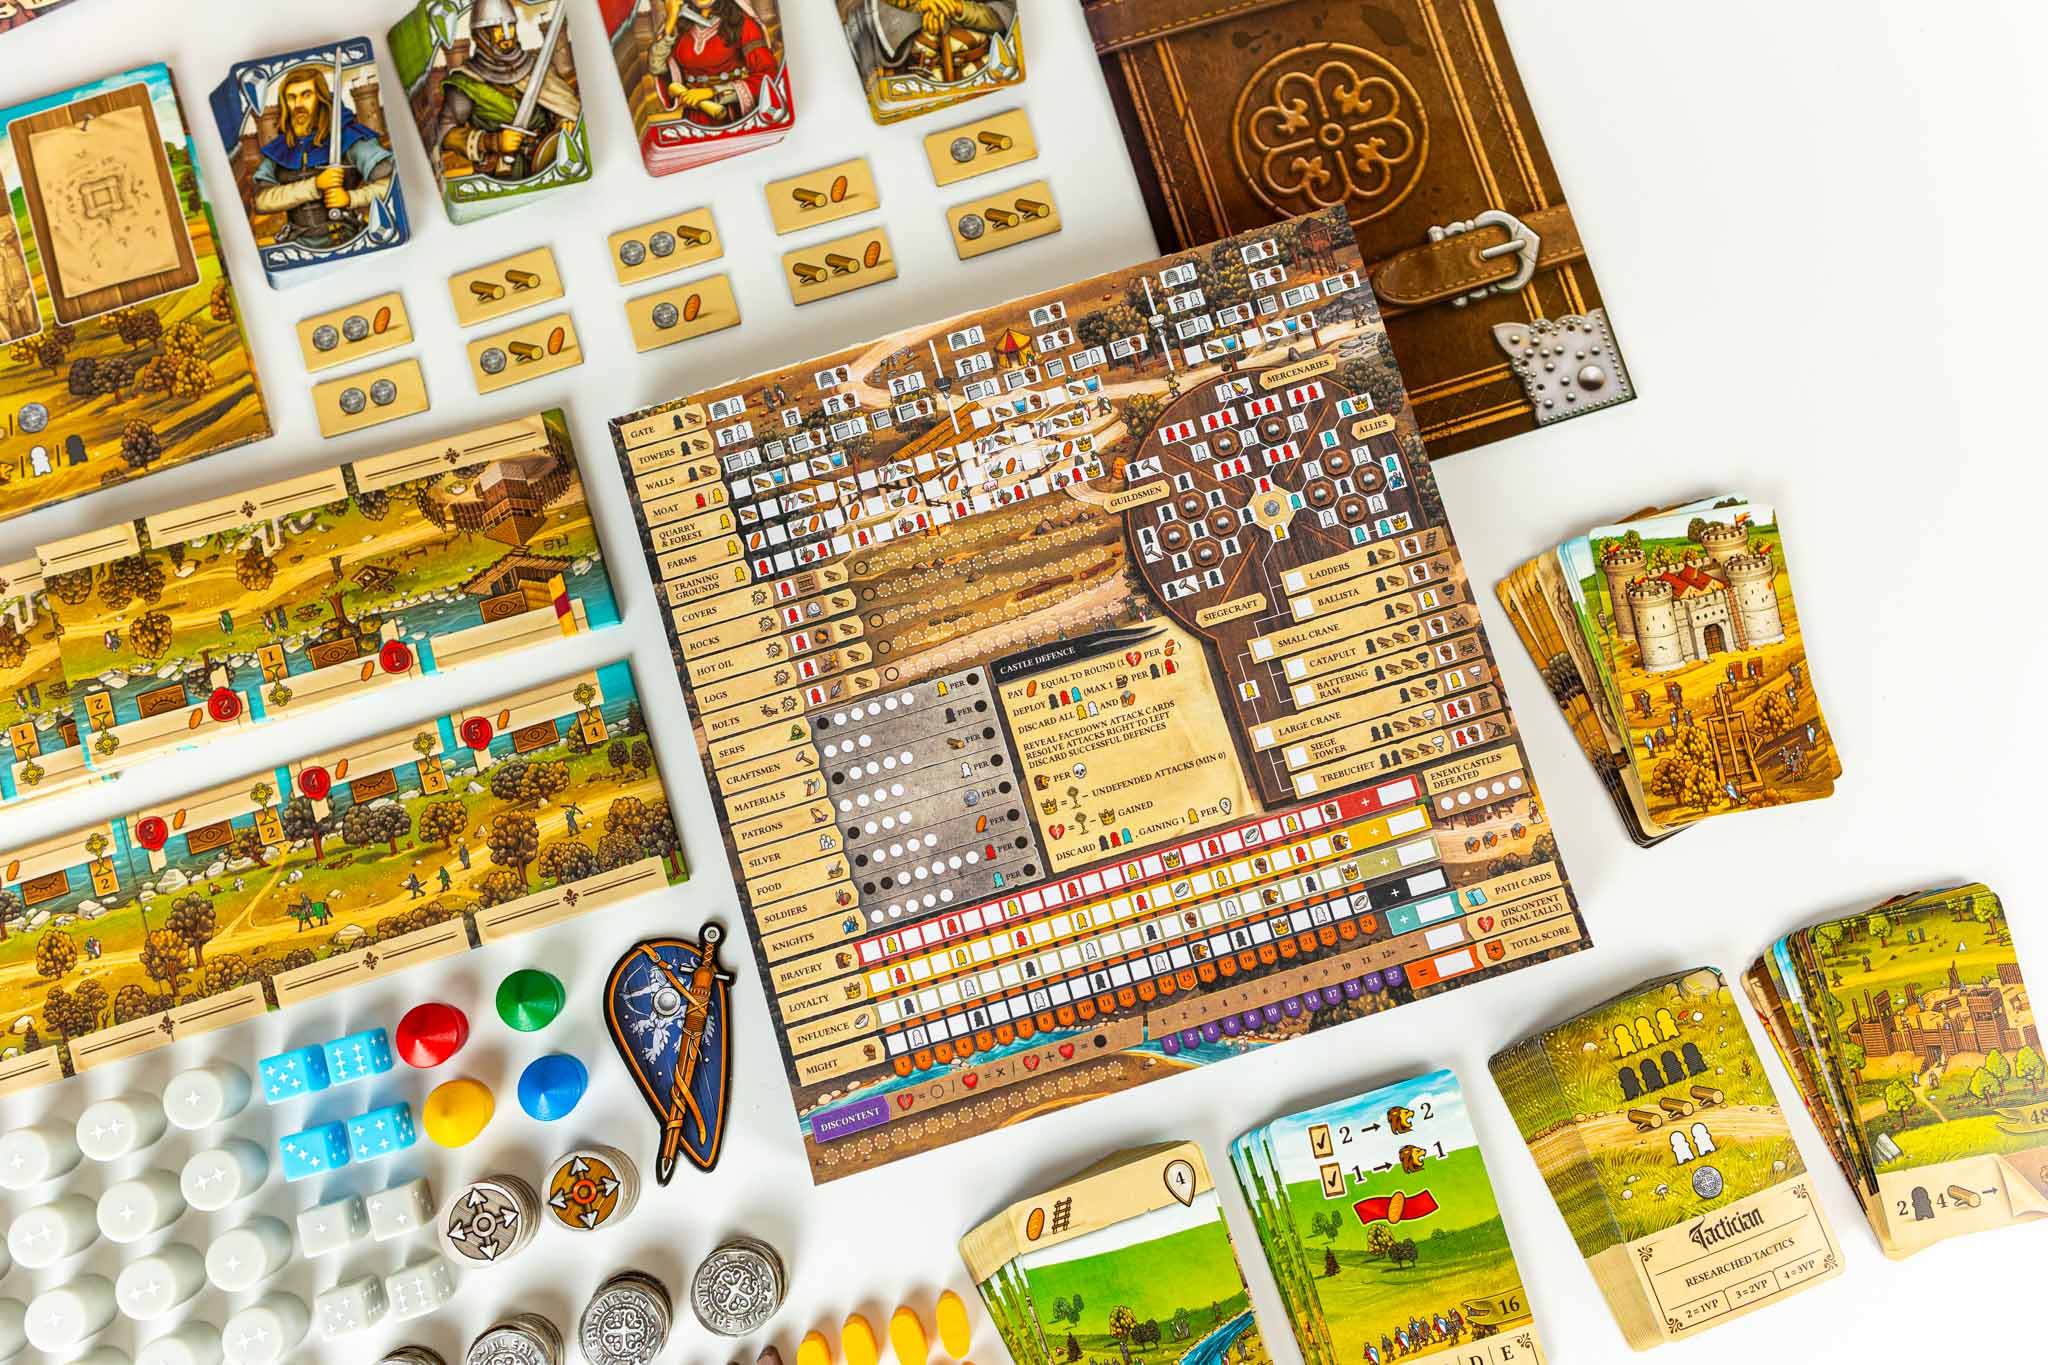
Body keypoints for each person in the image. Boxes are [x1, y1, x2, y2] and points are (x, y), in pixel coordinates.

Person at [251, 63, 396, 248]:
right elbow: (261, 202)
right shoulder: (280, 148)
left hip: (345, 236)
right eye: (292, 97)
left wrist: (351, 198)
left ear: (320, 97)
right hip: (297, 244)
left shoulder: (349, 137)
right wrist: (315, 185)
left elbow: (391, 184)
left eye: (306, 95)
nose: (298, 105)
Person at [435, 0, 581, 182]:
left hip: (547, 158)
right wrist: (490, 141)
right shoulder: (465, 82)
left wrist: (563, 121)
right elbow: (444, 132)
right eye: (496, 28)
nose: (506, 35)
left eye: (510, 26)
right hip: (503, 173)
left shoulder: (536, 68)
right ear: (481, 35)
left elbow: (559, 107)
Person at [649, 0, 782, 123]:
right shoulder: (679, 25)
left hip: (729, 113)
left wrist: (713, 91)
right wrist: (671, 19)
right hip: (695, 113)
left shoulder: (743, 23)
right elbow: (657, 67)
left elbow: (768, 74)